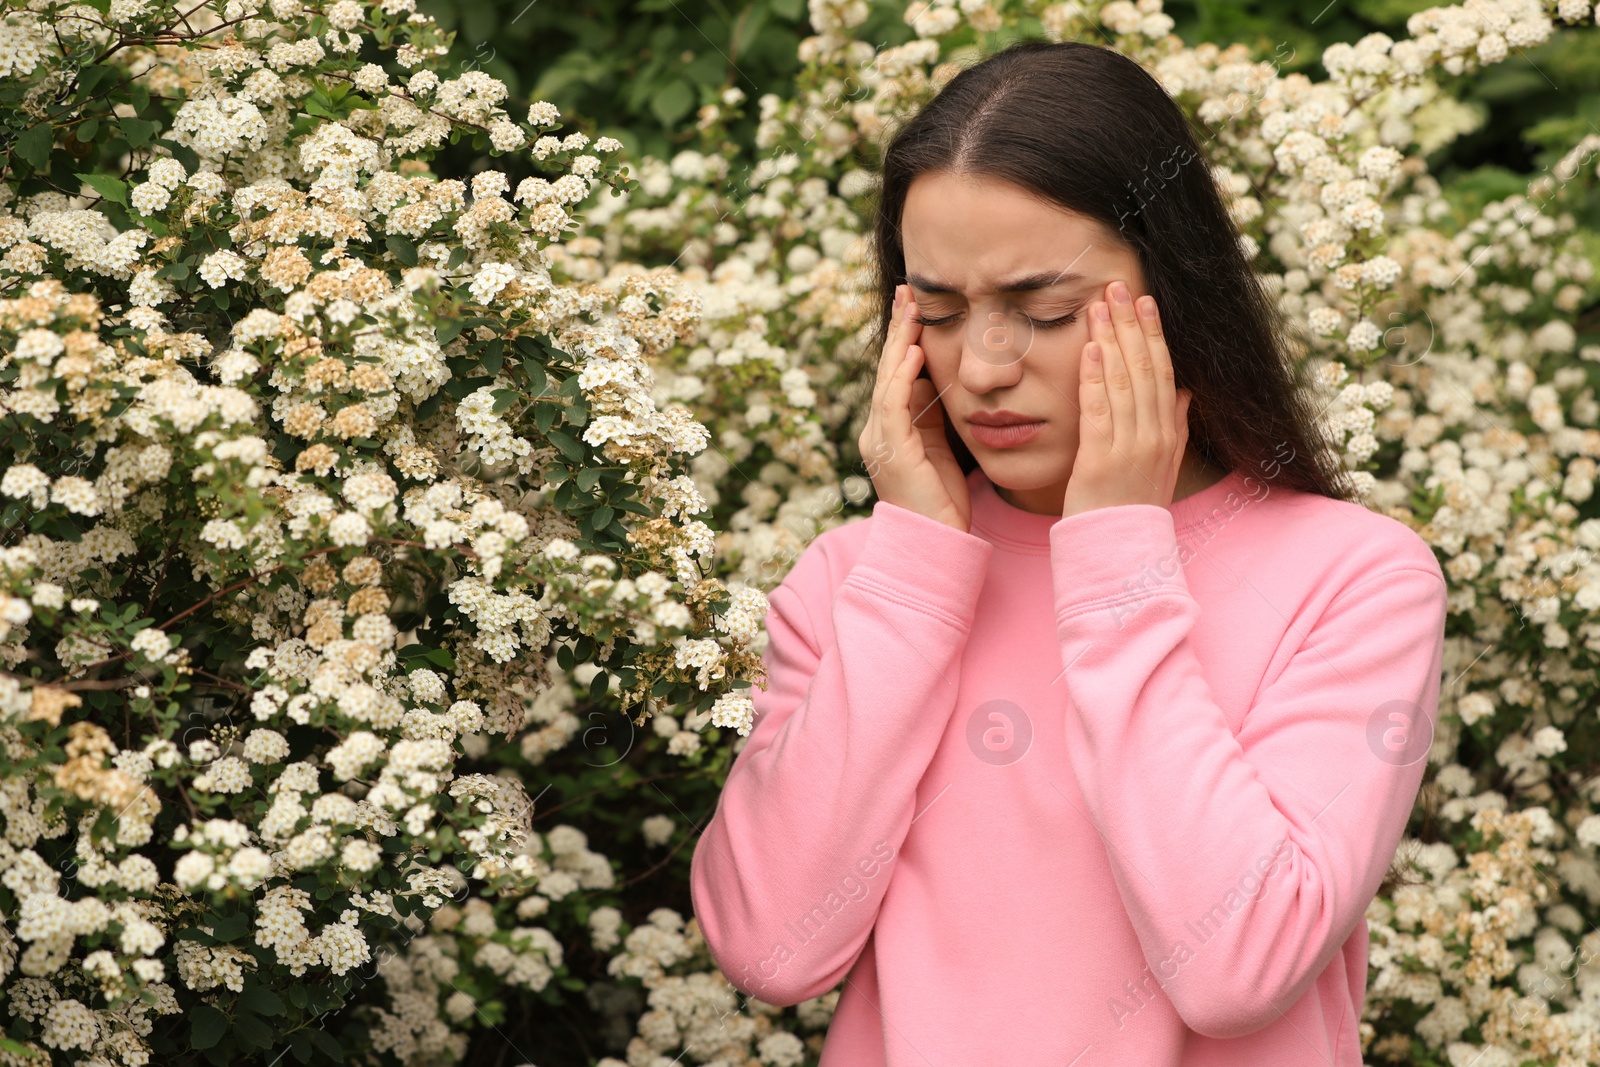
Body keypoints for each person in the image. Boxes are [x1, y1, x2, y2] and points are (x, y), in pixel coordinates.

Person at [689, 38, 1448, 1067]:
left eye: (1043, 310)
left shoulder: (1352, 578)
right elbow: (771, 946)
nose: (984, 366)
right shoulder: (856, 581)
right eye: (940, 312)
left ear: (1172, 293)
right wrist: (914, 569)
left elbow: (1239, 966)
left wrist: (1115, 565)